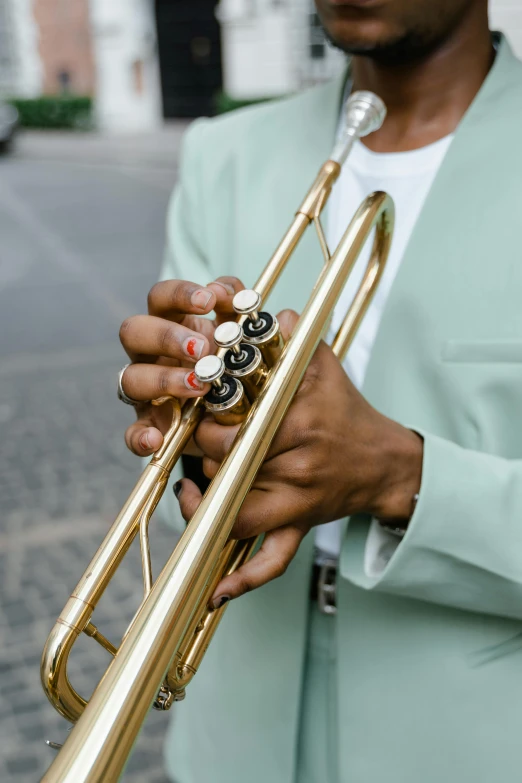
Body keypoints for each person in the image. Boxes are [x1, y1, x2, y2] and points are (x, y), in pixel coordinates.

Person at [117, 1, 522, 781]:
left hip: (474, 735)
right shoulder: (221, 151)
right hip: (235, 728)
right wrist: (182, 426)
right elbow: (183, 457)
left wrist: (403, 475)